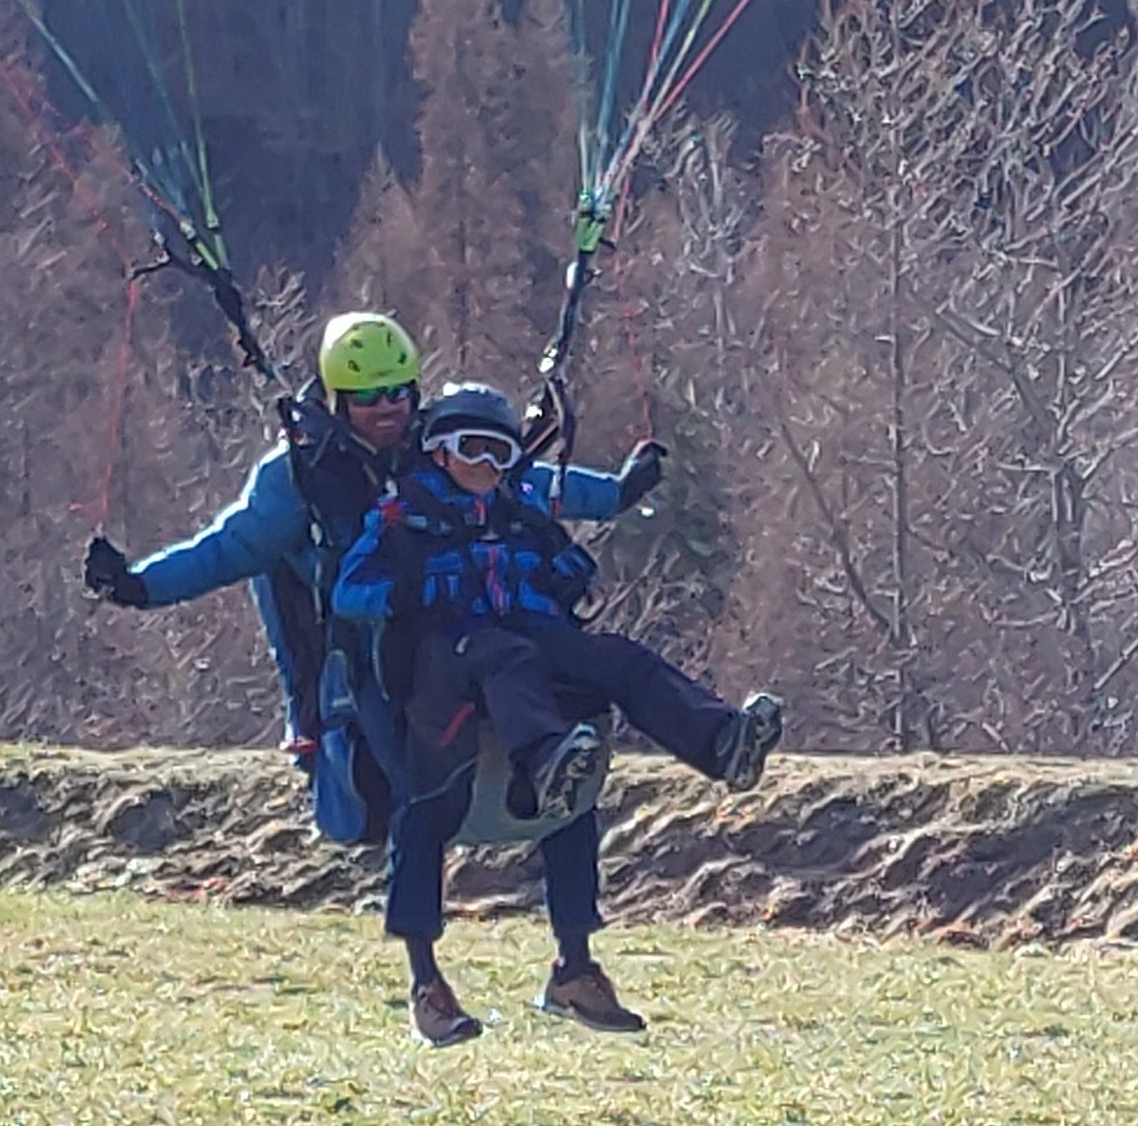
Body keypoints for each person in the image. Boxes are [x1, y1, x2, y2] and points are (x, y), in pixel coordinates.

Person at [334, 378, 780, 1042]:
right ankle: (428, 981)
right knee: (498, 673)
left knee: (617, 659)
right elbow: (348, 593)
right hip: (450, 668)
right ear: (439, 451)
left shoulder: (522, 512)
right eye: (473, 449)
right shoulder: (401, 519)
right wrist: (405, 592)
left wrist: (581, 549)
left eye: (501, 453)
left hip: (530, 646)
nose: (488, 466)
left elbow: (581, 531)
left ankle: (721, 744)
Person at [81, 309, 423, 850]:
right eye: (367, 397)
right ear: (337, 399)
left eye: (397, 393)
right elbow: (226, 550)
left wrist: (585, 493)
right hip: (350, 656)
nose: (386, 408)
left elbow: (523, 487)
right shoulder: (296, 477)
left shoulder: (441, 450)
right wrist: (138, 586)